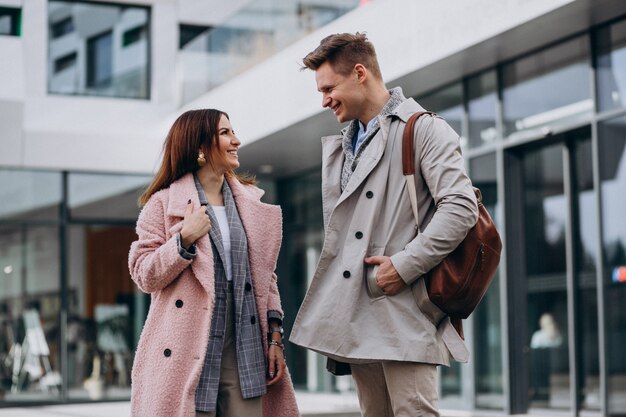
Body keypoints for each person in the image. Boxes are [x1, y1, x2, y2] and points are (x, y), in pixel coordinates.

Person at [289, 33, 479, 417]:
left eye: (329, 88)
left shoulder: (423, 129)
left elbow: (460, 207)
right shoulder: (347, 143)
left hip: (403, 311)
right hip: (356, 316)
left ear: (359, 73)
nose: (324, 99)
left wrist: (403, 266)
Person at [128, 109, 299, 417]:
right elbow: (144, 274)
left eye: (233, 132)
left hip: (244, 345)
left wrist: (275, 338)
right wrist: (183, 240)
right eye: (225, 133)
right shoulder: (163, 204)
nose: (236, 141)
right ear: (200, 147)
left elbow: (266, 279)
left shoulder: (250, 204)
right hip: (187, 344)